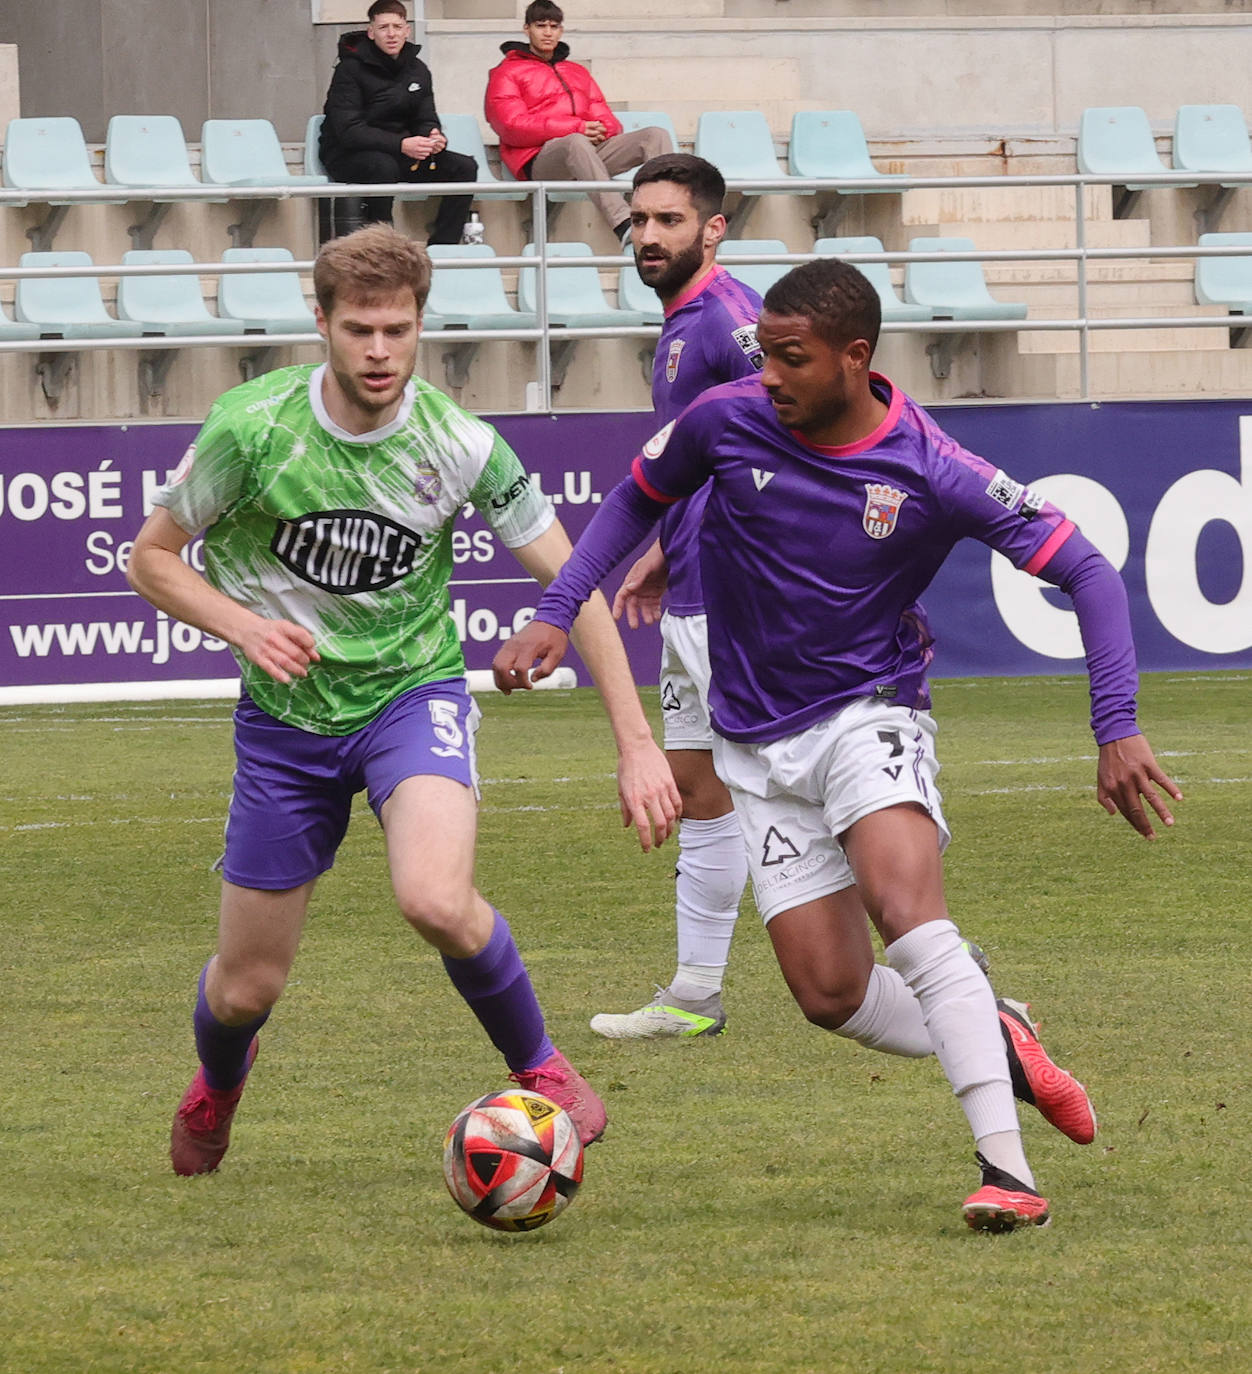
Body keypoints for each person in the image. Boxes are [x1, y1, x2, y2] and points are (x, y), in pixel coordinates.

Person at [494, 257, 1184, 1231]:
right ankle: (999, 1031)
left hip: (871, 712)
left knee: (907, 910)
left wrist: (1114, 725)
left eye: (791, 357)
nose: (767, 373)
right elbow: (636, 499)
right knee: (828, 993)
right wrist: (560, 611)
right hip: (754, 745)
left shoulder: (932, 468)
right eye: (763, 353)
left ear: (854, 359)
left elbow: (1087, 569)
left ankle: (1009, 1172)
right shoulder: (724, 420)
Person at [126, 223, 679, 1176]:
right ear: (323, 324)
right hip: (284, 724)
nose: (379, 352)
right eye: (358, 331)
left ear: (421, 324)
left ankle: (541, 1068)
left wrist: (637, 744)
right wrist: (244, 627)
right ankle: (216, 1087)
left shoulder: (459, 444)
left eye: (397, 329)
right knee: (246, 988)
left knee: (432, 896)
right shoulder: (252, 429)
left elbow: (578, 585)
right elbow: (151, 559)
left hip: (410, 697)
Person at [588, 154, 760, 1040]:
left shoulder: (733, 323)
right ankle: (696, 993)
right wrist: (662, 545)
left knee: (804, 792)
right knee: (698, 784)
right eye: (639, 221)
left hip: (744, 597)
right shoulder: (682, 324)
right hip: (692, 582)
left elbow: (793, 427)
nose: (648, 237)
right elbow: (707, 457)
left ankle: (945, 965)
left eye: (668, 221)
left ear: (713, 228)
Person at [484, 0, 673, 249]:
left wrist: (600, 129)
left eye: (554, 26)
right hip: (540, 159)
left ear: (561, 30)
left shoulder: (576, 71)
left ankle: (669, 216)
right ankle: (623, 224)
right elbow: (512, 126)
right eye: (541, 26)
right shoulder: (506, 72)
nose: (548, 32)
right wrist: (576, 128)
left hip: (586, 153)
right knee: (575, 142)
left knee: (655, 136)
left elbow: (608, 120)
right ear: (526, 29)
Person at [320, 0, 477, 243]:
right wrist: (402, 144)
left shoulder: (418, 69)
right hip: (348, 154)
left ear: (407, 30)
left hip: (401, 152)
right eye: (383, 28)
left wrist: (433, 135)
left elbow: (425, 117)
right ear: (371, 33)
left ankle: (442, 246)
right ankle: (381, 244)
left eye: (397, 26)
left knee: (464, 167)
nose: (391, 34)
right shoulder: (348, 70)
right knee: (383, 166)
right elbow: (348, 131)